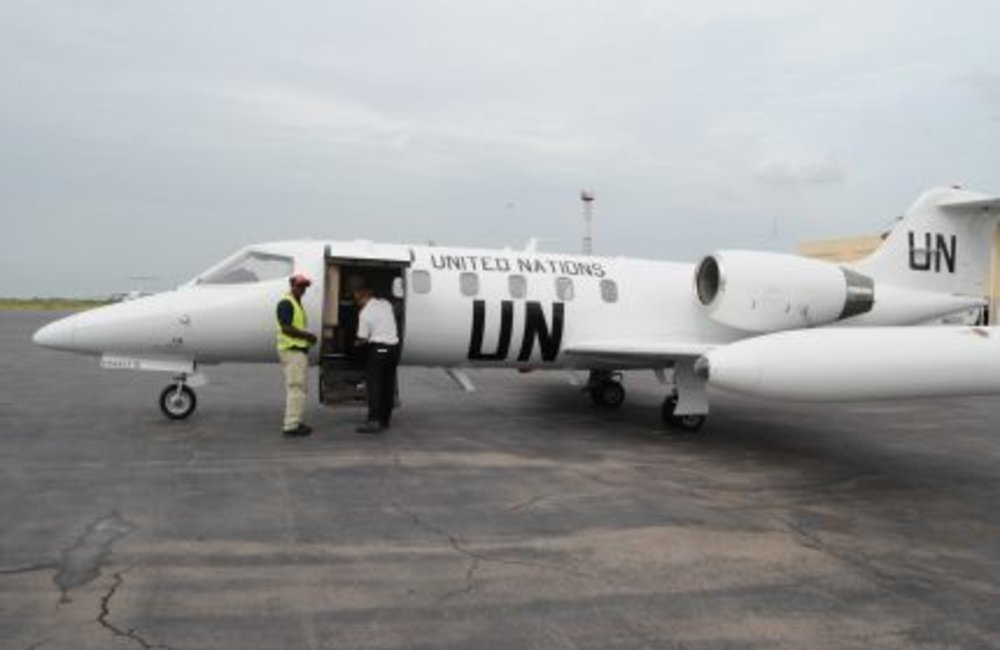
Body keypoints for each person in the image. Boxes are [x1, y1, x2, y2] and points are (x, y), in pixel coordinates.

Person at [352, 283, 399, 434]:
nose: (356, 302)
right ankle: (385, 420)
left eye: (357, 298)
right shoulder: (385, 304)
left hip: (378, 350)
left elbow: (362, 338)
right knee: (388, 386)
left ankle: (373, 421)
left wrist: (356, 344)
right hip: (392, 350)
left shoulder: (364, 313)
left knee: (374, 386)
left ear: (363, 296)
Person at [276, 274, 318, 437]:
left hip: (297, 351)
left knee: (299, 388)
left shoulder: (296, 303)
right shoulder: (286, 303)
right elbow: (286, 328)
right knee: (296, 387)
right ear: (292, 285)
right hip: (292, 350)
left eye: (305, 286)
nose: (303, 289)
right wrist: (308, 336)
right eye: (300, 286)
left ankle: (295, 421)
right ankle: (291, 425)